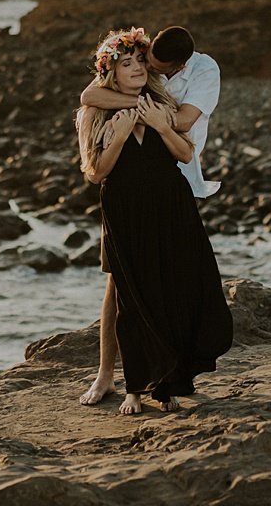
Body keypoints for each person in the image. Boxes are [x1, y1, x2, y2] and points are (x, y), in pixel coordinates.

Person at [75, 27, 231, 414]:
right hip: (126, 206)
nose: (143, 67)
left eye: (144, 62)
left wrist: (153, 116)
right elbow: (90, 104)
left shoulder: (198, 76)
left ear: (174, 65)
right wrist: (122, 120)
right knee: (121, 286)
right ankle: (109, 374)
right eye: (134, 62)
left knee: (174, 283)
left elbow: (182, 131)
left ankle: (170, 375)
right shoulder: (106, 105)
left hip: (171, 195)